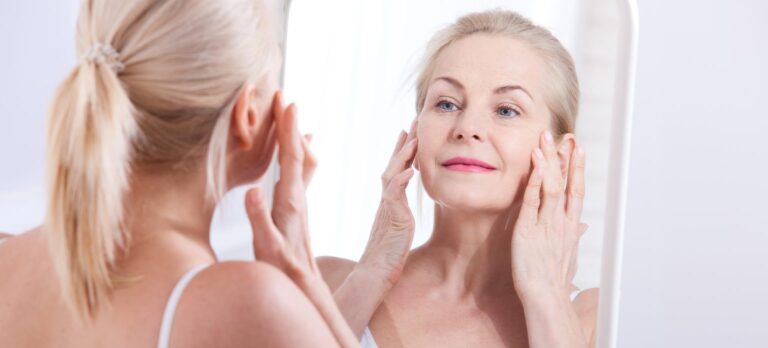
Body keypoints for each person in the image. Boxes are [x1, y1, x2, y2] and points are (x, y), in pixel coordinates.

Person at [0, 0, 363, 346]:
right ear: (247, 117)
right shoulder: (252, 304)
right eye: (274, 79)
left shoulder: (8, 257)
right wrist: (306, 280)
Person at [318, 9, 599, 347]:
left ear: (562, 157)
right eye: (447, 104)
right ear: (416, 133)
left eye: (506, 110)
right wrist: (371, 275)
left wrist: (546, 295)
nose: (467, 129)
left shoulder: (594, 319)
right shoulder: (328, 284)